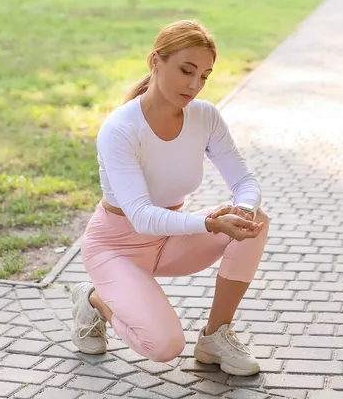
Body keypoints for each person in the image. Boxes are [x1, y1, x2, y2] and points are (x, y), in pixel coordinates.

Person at [69, 19, 269, 377]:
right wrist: (208, 223)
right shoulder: (121, 128)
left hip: (169, 240)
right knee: (164, 347)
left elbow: (244, 180)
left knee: (257, 221)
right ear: (155, 61)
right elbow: (142, 216)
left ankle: (215, 337)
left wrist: (243, 209)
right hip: (116, 248)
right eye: (186, 70)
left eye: (205, 76)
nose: (194, 85)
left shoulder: (205, 117)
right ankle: (94, 299)